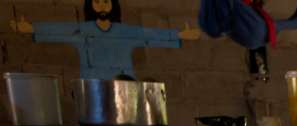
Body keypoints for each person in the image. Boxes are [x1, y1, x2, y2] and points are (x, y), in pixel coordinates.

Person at [11, 0, 200, 80]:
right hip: (92, 87)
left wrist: (178, 35)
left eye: (106, 2)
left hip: (124, 87)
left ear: (113, 5)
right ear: (91, 5)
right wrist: (32, 28)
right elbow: (59, 30)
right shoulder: (82, 31)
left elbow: (147, 34)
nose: (102, 5)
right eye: (98, 1)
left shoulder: (123, 31)